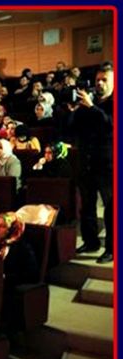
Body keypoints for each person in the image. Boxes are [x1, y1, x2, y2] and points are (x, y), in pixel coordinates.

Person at [70, 67, 113, 263]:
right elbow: (71, 128)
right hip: (86, 162)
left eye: (104, 79)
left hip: (107, 164)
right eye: (97, 80)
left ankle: (112, 249)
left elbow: (110, 125)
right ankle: (91, 242)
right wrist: (75, 110)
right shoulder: (88, 103)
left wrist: (92, 107)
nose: (100, 83)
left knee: (111, 208)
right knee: (86, 206)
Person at [0, 212, 39, 322]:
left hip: (9, 285)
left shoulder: (23, 248)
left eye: (2, 226)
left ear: (12, 229)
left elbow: (32, 274)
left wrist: (5, 277)